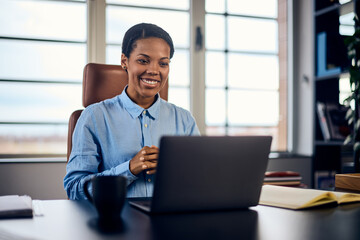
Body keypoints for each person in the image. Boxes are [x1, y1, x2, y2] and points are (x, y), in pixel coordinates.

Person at [64, 23, 200, 200]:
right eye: (143, 61)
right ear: (124, 61)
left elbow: (200, 181)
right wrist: (128, 169)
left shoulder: (184, 120)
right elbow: (75, 189)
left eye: (163, 63)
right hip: (113, 223)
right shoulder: (94, 117)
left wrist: (172, 168)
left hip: (170, 222)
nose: (153, 71)